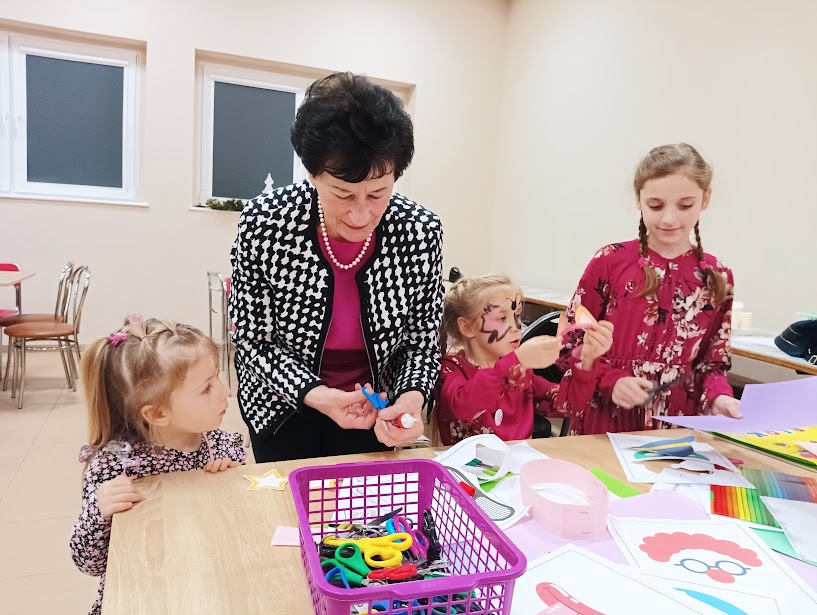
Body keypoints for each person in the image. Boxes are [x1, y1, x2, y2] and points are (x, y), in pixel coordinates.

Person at [229, 72, 443, 461]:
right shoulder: (266, 223)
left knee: (365, 499)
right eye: (342, 194)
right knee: (286, 496)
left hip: (374, 407)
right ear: (312, 174)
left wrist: (411, 398)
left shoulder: (418, 231)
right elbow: (254, 339)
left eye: (378, 193)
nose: (361, 214)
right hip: (282, 406)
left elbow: (421, 339)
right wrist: (318, 395)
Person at [559, 143, 741, 435]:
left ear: (705, 199)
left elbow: (712, 363)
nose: (669, 219)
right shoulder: (610, 261)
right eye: (655, 206)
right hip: (605, 420)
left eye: (685, 205)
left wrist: (719, 397)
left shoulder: (717, 276)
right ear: (639, 200)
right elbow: (569, 342)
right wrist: (611, 379)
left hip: (676, 427)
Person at [69, 316, 245, 615]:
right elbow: (89, 563)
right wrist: (99, 512)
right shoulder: (113, 467)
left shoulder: (222, 444)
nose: (226, 390)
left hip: (206, 589)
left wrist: (233, 482)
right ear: (158, 414)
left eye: (218, 378)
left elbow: (233, 530)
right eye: (207, 388)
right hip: (145, 598)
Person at [434, 274, 613, 444]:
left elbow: (568, 405)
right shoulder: (451, 368)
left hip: (517, 464)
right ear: (467, 327)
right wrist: (517, 361)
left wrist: (587, 360)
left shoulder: (521, 373)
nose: (516, 326)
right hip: (466, 466)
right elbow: (463, 405)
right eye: (502, 318)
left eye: (518, 315)